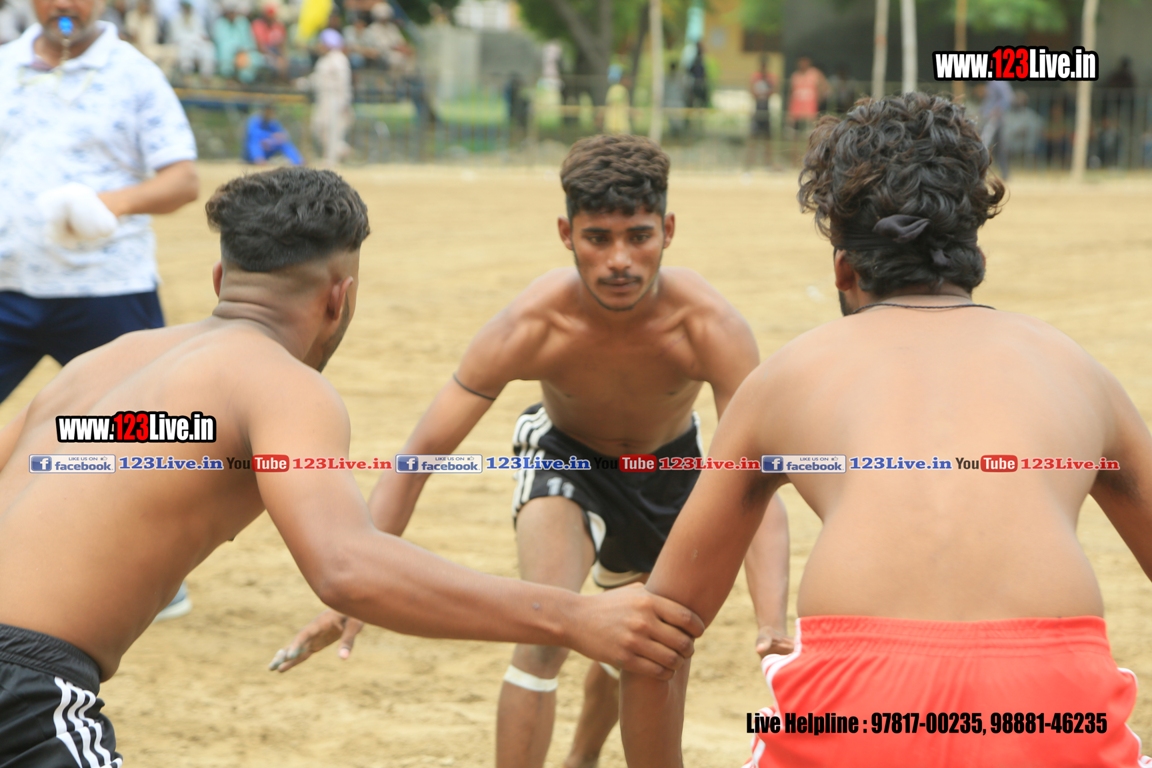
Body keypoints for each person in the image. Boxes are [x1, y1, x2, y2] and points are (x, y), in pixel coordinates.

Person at [0, 167, 704, 766]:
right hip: (26, 689)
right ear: (339, 297)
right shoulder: (278, 383)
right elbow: (347, 567)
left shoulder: (96, 369)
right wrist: (576, 616)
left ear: (222, 278)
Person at [619, 92, 1152, 768]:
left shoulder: (785, 379)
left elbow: (658, 635)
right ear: (972, 254)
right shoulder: (1078, 372)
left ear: (844, 269)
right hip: (1052, 709)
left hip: (856, 706)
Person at [274, 135, 791, 768]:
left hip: (669, 470)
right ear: (566, 235)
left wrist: (772, 623)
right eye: (598, 238)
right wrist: (350, 596)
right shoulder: (533, 324)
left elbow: (753, 478)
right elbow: (420, 456)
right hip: (565, 461)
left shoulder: (711, 327)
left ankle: (582, 759)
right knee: (545, 635)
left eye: (639, 236)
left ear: (669, 231)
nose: (620, 260)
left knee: (647, 649)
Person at [310, 28, 352, 167]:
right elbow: (317, 79)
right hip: (323, 97)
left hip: (335, 98)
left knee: (333, 129)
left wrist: (344, 102)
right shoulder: (324, 60)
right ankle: (341, 149)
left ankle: (332, 158)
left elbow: (344, 82)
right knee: (318, 126)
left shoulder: (339, 59)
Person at [213, 0, 263, 83]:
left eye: (233, 11)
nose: (232, 14)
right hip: (227, 58)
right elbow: (221, 47)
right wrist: (234, 54)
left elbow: (249, 43)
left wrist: (242, 52)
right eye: (230, 11)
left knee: (255, 62)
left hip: (243, 55)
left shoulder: (242, 22)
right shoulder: (220, 24)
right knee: (226, 66)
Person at [167, 0, 214, 78]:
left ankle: (206, 75)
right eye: (185, 7)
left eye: (188, 7)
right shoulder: (175, 18)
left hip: (197, 43)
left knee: (208, 47)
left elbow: (202, 33)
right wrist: (191, 39)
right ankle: (186, 75)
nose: (187, 9)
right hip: (183, 44)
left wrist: (202, 38)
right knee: (185, 50)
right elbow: (175, 36)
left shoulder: (197, 18)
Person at [744, 54, 775, 171]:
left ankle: (768, 161)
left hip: (766, 109)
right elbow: (753, 92)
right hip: (757, 109)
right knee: (753, 136)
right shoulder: (755, 77)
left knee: (767, 138)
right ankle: (750, 161)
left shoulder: (770, 78)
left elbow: (773, 91)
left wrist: (764, 92)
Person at [786, 56, 827, 140]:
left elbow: (825, 86)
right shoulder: (795, 75)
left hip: (810, 108)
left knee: (809, 132)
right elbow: (791, 92)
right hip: (796, 108)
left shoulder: (815, 73)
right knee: (793, 132)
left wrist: (820, 97)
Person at [980, 79, 1014, 180]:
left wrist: (997, 110)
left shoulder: (997, 82)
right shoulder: (993, 82)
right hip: (993, 118)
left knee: (983, 144)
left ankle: (979, 170)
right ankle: (1005, 173)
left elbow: (1008, 97)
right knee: (999, 146)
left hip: (993, 119)